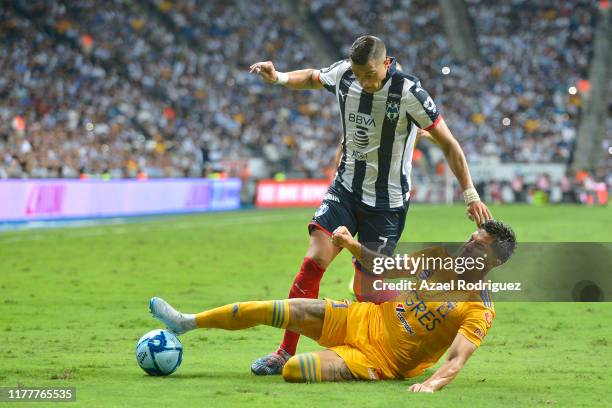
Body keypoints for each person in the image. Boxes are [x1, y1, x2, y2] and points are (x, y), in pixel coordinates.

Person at [248, 35, 493, 374]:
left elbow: (449, 144)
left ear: (387, 64)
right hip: (346, 189)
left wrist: (471, 195)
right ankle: (283, 352)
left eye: (371, 74)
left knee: (368, 285)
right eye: (359, 74)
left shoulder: (409, 93)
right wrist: (279, 78)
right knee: (313, 261)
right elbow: (314, 76)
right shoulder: (345, 75)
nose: (365, 81)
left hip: (387, 204)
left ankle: (399, 341)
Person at [149, 220, 515, 391]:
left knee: (293, 371)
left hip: (379, 361)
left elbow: (456, 359)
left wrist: (431, 386)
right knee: (280, 308)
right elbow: (386, 266)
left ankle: (338, 359)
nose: (466, 247)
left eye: (477, 247)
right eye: (470, 239)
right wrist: (354, 247)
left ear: (494, 262)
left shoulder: (479, 309)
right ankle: (186, 322)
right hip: (362, 319)